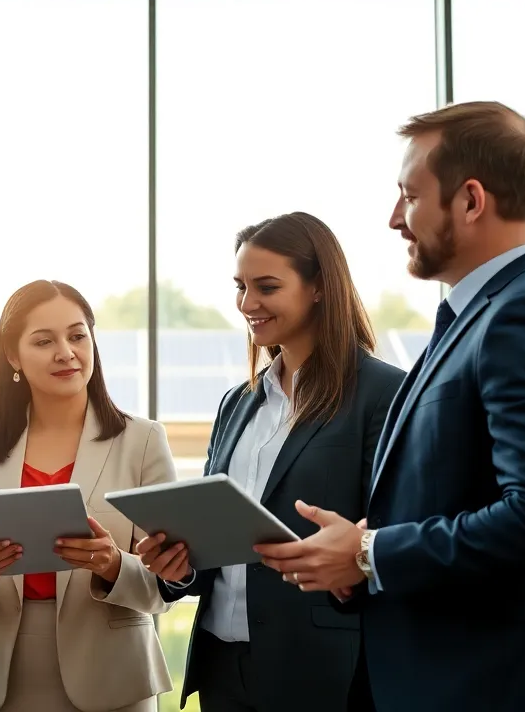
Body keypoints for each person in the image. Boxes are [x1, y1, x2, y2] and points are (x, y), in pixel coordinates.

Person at [254, 102, 525, 712]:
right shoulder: (475, 318)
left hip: (490, 687)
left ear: (471, 201)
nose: (394, 218)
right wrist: (359, 556)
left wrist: (369, 554)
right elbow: (462, 498)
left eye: (409, 195)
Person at [136, 212, 404, 712]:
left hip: (323, 671)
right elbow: (215, 538)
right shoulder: (238, 403)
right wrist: (178, 567)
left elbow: (395, 533)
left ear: (319, 287)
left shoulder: (383, 394)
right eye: (240, 286)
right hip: (223, 665)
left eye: (266, 287)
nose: (247, 304)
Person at [0, 280, 176, 712]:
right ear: (12, 355)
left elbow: (167, 584)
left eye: (78, 336)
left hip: (113, 679)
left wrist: (113, 565)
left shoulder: (143, 441)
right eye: (44, 341)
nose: (66, 352)